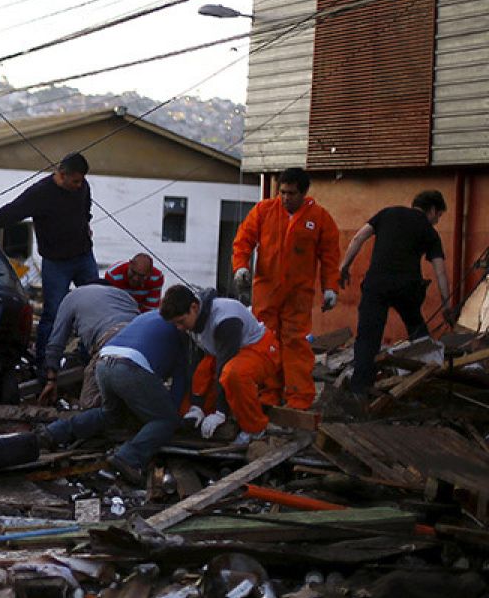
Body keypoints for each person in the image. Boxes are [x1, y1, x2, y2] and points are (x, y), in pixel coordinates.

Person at [40, 310, 191, 486]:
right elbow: (180, 381)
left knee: (111, 414)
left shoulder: (149, 315)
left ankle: (53, 432)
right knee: (165, 420)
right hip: (131, 365)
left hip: (105, 362)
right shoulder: (183, 329)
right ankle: (129, 458)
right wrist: (177, 416)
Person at [0, 152, 97, 359]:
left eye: (81, 181)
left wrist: (86, 223)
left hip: (83, 255)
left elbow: (86, 207)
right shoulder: (40, 193)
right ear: (62, 174)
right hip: (56, 262)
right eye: (75, 181)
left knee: (93, 303)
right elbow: (14, 210)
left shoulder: (82, 187)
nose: (79, 185)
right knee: (53, 312)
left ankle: (87, 353)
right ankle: (44, 357)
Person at [231, 167, 340, 409]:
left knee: (295, 344)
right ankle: (268, 393)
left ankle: (298, 398)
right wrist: (240, 267)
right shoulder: (264, 210)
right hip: (266, 291)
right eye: (282, 192)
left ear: (304, 193)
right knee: (265, 341)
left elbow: (330, 255)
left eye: (291, 193)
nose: (285, 198)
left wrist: (330, 287)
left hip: (298, 294)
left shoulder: (320, 218)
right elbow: (244, 240)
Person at [338, 190, 457, 399]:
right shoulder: (429, 232)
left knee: (368, 338)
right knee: (418, 334)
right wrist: (447, 305)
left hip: (376, 284)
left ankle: (359, 389)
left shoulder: (387, 213)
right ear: (432, 210)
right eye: (438, 216)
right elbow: (440, 271)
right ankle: (424, 379)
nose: (437, 221)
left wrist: (344, 267)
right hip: (407, 288)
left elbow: (358, 238)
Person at [160, 284, 280, 443]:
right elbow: (196, 362)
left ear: (194, 307)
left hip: (260, 349)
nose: (180, 328)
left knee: (233, 374)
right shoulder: (193, 319)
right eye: (176, 324)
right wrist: (196, 406)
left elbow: (224, 365)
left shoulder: (225, 320)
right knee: (203, 371)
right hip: (226, 352)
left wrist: (220, 412)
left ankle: (254, 428)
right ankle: (200, 413)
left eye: (181, 322)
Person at [38, 283, 139, 408]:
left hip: (110, 340)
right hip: (140, 339)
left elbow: (55, 344)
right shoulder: (123, 295)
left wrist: (51, 380)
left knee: (88, 404)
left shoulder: (71, 298)